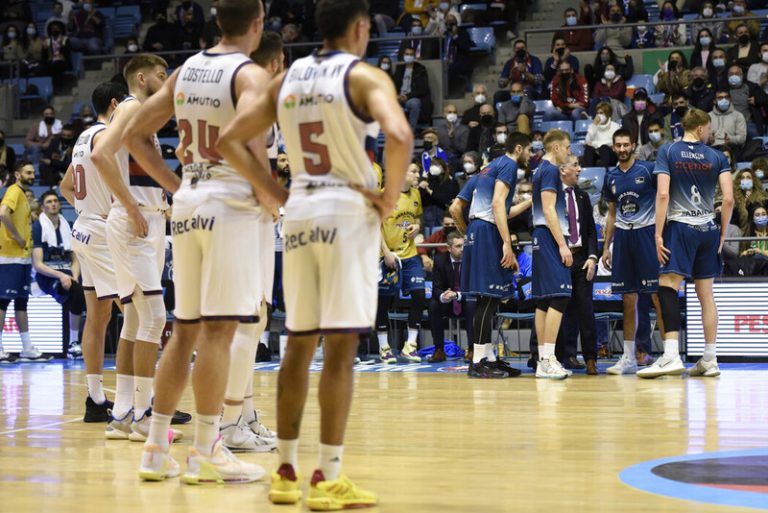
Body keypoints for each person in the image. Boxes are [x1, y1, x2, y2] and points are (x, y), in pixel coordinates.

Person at [217, 0, 413, 506]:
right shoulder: (364, 77)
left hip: (301, 211)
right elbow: (399, 134)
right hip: (346, 210)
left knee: (298, 344)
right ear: (361, 28)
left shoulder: (287, 78)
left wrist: (274, 191)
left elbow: (230, 139)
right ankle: (327, 476)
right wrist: (389, 197)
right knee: (340, 351)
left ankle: (285, 472)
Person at [122, 4, 284, 482]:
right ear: (257, 24)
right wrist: (272, 197)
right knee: (218, 332)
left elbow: (133, 135)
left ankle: (156, 448)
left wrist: (177, 186)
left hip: (190, 201)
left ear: (218, 23)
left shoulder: (187, 69)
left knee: (185, 329)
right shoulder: (250, 75)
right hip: (229, 202)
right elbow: (249, 147)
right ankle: (207, 449)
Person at [91, 55, 185, 446]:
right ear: (142, 78)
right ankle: (145, 415)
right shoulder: (131, 108)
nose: (166, 81)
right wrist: (130, 205)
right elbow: (99, 155)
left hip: (144, 219)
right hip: (135, 222)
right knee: (155, 318)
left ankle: (122, 415)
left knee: (133, 320)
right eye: (162, 76)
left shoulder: (138, 114)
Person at [639, 108, 734, 378]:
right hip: (708, 228)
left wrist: (658, 233)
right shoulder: (717, 156)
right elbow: (728, 199)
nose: (710, 133)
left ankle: (670, 356)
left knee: (667, 286)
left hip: (680, 226)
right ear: (701, 128)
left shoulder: (668, 151)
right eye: (709, 129)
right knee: (706, 295)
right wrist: (722, 234)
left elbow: (663, 194)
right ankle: (710, 359)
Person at [59, 81, 127, 422]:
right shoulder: (105, 136)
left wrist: (85, 209)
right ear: (115, 104)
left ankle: (96, 399)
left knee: (98, 317)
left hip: (84, 229)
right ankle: (140, 402)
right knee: (138, 312)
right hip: (101, 231)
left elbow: (65, 186)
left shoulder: (82, 138)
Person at [451, 132, 530, 378]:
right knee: (487, 298)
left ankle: (488, 357)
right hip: (487, 231)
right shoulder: (509, 164)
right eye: (529, 150)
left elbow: (456, 208)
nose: (531, 155)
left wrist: (469, 232)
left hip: (478, 231)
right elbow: (496, 206)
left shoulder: (482, 173)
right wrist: (507, 243)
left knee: (491, 298)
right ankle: (477, 362)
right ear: (519, 148)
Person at [601, 129, 666, 375]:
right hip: (623, 237)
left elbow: (664, 199)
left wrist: (660, 234)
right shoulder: (610, 176)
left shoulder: (648, 170)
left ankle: (668, 355)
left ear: (633, 145)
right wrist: (606, 247)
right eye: (618, 145)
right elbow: (611, 214)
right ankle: (628, 357)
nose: (622, 149)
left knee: (657, 296)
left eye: (626, 144)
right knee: (628, 299)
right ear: (613, 147)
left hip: (646, 234)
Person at [530, 129, 573, 380]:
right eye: (567, 147)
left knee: (544, 300)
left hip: (542, 236)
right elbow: (548, 210)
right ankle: (547, 359)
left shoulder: (541, 169)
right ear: (556, 147)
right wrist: (562, 245)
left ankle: (543, 360)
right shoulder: (549, 170)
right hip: (548, 236)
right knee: (560, 295)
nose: (569, 151)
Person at [551, 156, 599, 376]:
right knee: (561, 310)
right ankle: (563, 356)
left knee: (586, 310)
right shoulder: (551, 195)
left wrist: (592, 257)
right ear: (563, 169)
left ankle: (591, 358)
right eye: (575, 165)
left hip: (581, 259)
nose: (580, 169)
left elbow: (590, 230)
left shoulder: (582, 196)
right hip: (560, 259)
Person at [0, 162, 49, 363]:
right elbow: (3, 212)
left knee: (22, 302)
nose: (32, 175)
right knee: (3, 301)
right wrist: (17, 237)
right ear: (17, 174)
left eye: (33, 172)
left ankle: (27, 348)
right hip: (10, 256)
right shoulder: (14, 191)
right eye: (28, 172)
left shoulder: (23, 195)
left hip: (22, 257)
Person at [376, 163, 426, 364]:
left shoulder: (416, 194)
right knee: (384, 301)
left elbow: (418, 218)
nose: (418, 175)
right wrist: (386, 253)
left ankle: (410, 345)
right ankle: (384, 347)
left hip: (410, 255)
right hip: (387, 256)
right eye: (414, 171)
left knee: (419, 295)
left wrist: (418, 226)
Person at [31, 190, 85, 358]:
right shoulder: (38, 227)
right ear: (42, 207)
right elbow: (38, 264)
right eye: (49, 201)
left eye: (55, 201)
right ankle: (73, 343)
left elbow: (75, 259)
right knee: (75, 292)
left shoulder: (67, 224)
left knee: (80, 291)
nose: (53, 203)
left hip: (68, 273)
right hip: (47, 275)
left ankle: (72, 344)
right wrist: (61, 276)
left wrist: (74, 276)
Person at [427, 231, 476, 363]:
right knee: (433, 305)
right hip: (448, 303)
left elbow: (474, 289)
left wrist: (458, 295)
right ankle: (439, 350)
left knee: (472, 304)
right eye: (458, 246)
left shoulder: (471, 260)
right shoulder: (439, 260)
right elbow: (436, 288)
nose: (462, 249)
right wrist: (443, 296)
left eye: (464, 245)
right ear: (449, 248)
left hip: (466, 301)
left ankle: (472, 349)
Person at [394, 47, 433, 129]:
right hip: (398, 97)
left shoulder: (420, 69)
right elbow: (393, 85)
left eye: (411, 54)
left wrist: (407, 96)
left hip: (412, 97)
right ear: (403, 55)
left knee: (414, 104)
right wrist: (396, 96)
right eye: (407, 54)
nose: (408, 56)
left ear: (414, 56)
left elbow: (422, 89)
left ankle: (412, 131)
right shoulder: (399, 68)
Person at [419, 157, 459, 230]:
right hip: (427, 215)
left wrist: (429, 191)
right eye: (432, 165)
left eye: (437, 165)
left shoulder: (450, 182)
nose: (434, 167)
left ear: (443, 168)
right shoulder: (426, 181)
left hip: (442, 214)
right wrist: (420, 188)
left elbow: (445, 199)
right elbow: (421, 199)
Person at [583, 101, 620, 167]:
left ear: (608, 114)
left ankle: (604, 171)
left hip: (610, 155)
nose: (599, 115)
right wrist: (594, 125)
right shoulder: (593, 126)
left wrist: (595, 144)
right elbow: (587, 142)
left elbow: (614, 143)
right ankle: (588, 172)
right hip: (596, 154)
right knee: (589, 149)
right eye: (597, 113)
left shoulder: (615, 126)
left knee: (604, 148)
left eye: (601, 113)